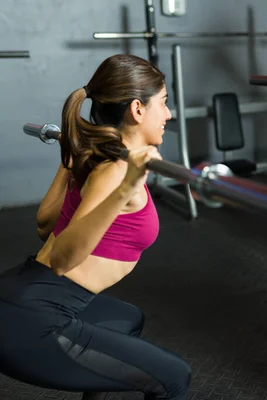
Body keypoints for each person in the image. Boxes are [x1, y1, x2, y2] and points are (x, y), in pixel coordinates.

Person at [0, 54, 191, 400]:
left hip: (17, 293)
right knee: (175, 377)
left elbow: (45, 226)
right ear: (137, 109)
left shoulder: (97, 157)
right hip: (31, 320)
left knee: (126, 318)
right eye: (163, 104)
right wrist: (126, 188)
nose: (168, 114)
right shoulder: (117, 171)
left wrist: (68, 160)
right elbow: (60, 258)